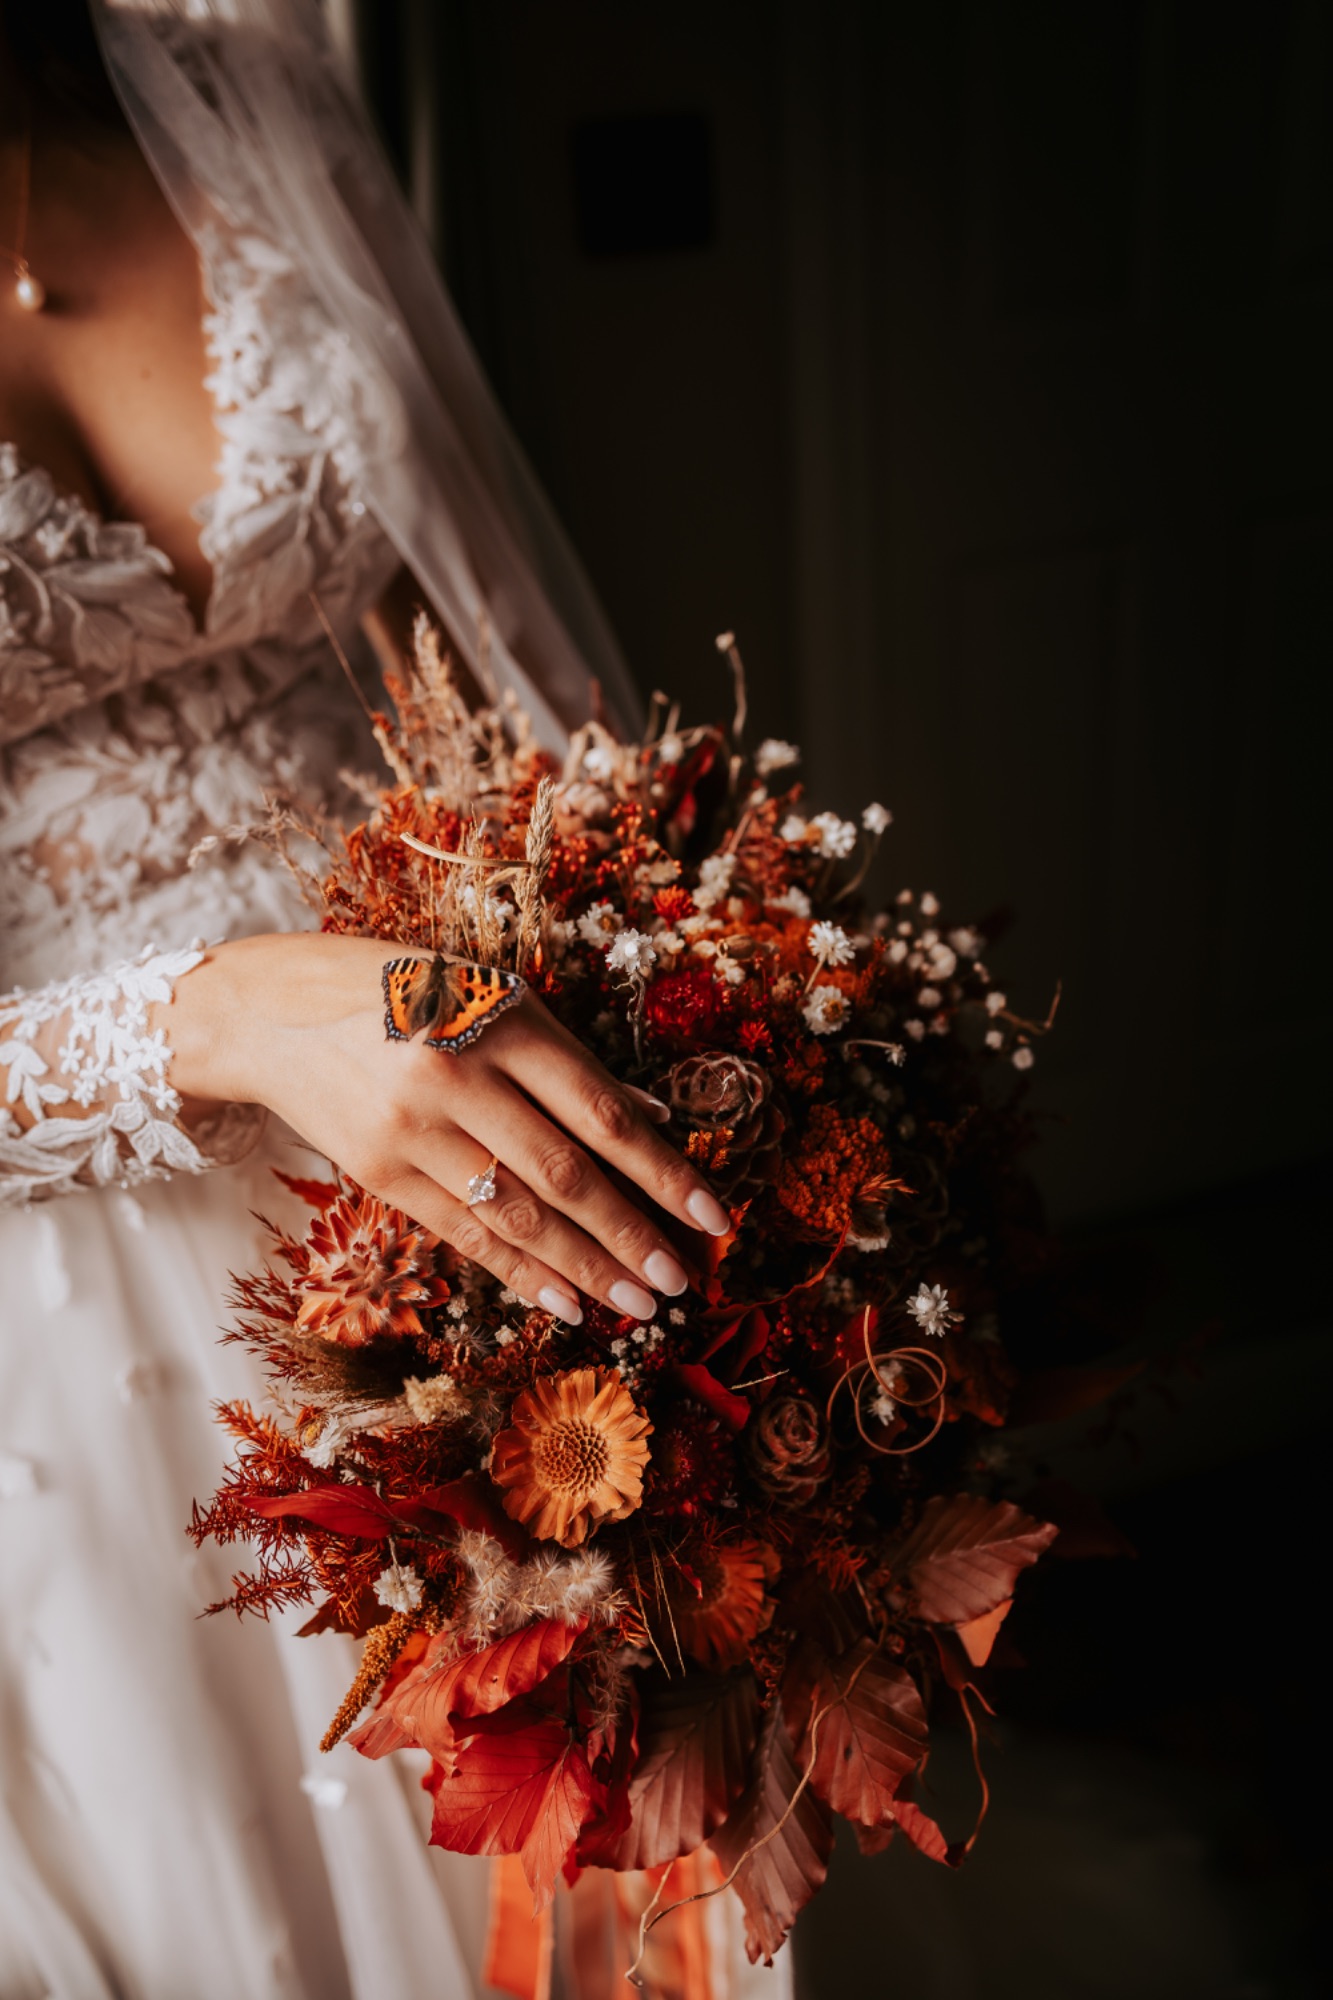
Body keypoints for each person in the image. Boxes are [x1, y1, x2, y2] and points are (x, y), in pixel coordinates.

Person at [0, 4, 777, 1994]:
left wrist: (682, 976)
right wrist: (231, 1017)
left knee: (609, 1848)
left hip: (476, 1123)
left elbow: (474, 641)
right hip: (84, 1313)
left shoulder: (233, 78)